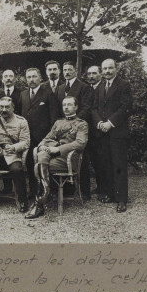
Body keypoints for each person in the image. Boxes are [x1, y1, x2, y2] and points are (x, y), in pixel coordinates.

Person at [26, 96, 89, 219]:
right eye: (64, 105)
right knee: (42, 156)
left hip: (69, 159)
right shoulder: (58, 122)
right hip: (53, 157)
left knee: (39, 165)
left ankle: (40, 201)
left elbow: (80, 143)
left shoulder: (82, 124)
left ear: (76, 107)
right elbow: (48, 138)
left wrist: (58, 149)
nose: (66, 107)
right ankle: (42, 198)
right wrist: (42, 146)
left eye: (69, 105)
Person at [91, 59, 133, 213]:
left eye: (110, 68)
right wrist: (99, 123)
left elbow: (126, 107)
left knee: (119, 165)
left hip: (117, 132)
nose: (107, 71)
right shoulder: (100, 86)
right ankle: (110, 194)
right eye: (105, 69)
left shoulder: (123, 85)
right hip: (102, 132)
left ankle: (121, 199)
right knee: (106, 164)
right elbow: (94, 108)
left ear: (116, 69)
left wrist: (110, 123)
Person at [19, 67, 60, 211]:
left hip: (43, 137)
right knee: (30, 164)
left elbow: (54, 118)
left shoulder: (48, 94)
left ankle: (46, 192)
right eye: (29, 77)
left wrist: (49, 138)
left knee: (43, 164)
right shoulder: (23, 94)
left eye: (34, 77)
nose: (31, 80)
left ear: (40, 78)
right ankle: (33, 190)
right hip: (27, 137)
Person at [55, 61, 94, 200]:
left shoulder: (83, 87)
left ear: (75, 71)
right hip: (63, 128)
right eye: (64, 70)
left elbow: (86, 107)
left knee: (81, 159)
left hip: (78, 127)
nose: (67, 72)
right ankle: (67, 190)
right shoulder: (60, 88)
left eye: (70, 70)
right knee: (62, 155)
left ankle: (84, 192)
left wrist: (74, 123)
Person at [83, 65, 103, 196]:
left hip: (102, 129)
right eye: (89, 74)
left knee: (102, 160)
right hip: (89, 130)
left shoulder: (104, 88)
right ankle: (99, 186)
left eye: (94, 73)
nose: (91, 76)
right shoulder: (87, 89)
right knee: (94, 160)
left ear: (100, 74)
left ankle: (104, 188)